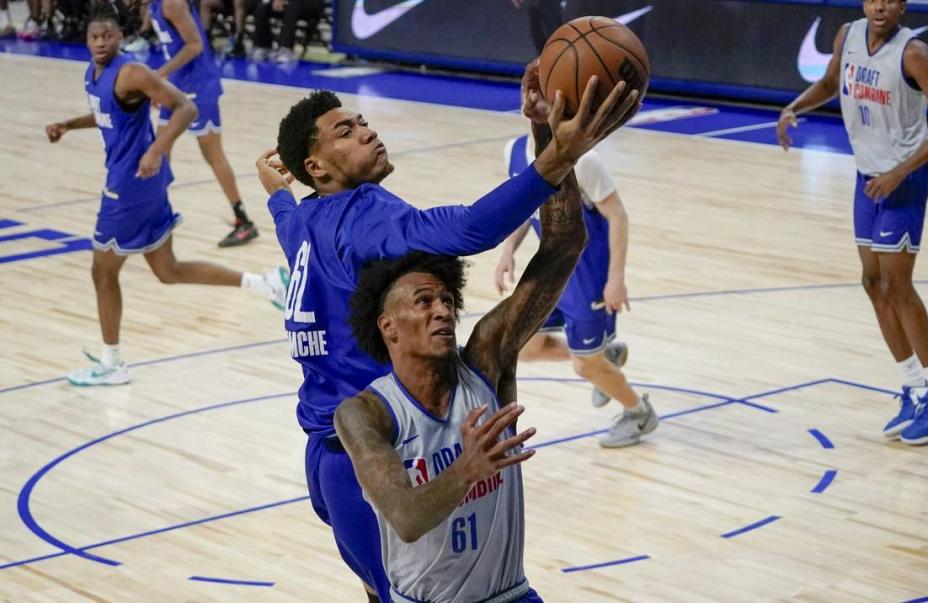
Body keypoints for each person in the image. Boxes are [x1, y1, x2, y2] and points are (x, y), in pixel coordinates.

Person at [258, 64, 639, 600]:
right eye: (346, 131)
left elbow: (280, 209)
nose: (367, 131)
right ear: (317, 167)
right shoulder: (363, 216)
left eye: (363, 122)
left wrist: (275, 186)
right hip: (381, 447)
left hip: (330, 458)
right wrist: (556, 153)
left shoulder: (300, 220)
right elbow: (470, 228)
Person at [333, 115, 587, 601]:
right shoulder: (365, 414)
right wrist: (467, 468)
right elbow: (404, 517)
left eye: (447, 300)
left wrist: (551, 137)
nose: (442, 311)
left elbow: (565, 244)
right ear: (387, 326)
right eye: (423, 302)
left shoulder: (486, 364)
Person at [46, 3, 287, 386]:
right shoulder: (94, 75)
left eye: (108, 35)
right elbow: (104, 112)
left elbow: (185, 107)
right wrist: (68, 124)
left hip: (129, 185)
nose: (101, 42)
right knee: (167, 269)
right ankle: (266, 283)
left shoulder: (132, 71)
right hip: (142, 183)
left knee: (102, 272)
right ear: (86, 39)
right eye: (95, 36)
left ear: (120, 36)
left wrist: (157, 148)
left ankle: (112, 363)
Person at [777, 0, 928, 445]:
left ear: (902, 5)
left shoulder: (914, 53)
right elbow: (829, 82)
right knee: (872, 282)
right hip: (867, 177)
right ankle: (912, 386)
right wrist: (794, 107)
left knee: (898, 286)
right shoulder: (847, 36)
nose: (881, 6)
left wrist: (901, 170)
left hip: (905, 177)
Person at [495, 133, 658, 448]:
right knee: (524, 347)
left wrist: (616, 278)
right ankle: (603, 359)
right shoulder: (513, 151)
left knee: (584, 366)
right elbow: (524, 208)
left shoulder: (583, 159)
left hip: (587, 276)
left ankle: (638, 413)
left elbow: (618, 215)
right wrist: (508, 250)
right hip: (550, 270)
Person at [150, 0, 258, 247]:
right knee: (159, 150)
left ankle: (244, 221)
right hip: (176, 86)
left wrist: (159, 75)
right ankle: (156, 216)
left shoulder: (172, 4)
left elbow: (195, 44)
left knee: (212, 154)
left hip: (198, 85)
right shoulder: (153, 5)